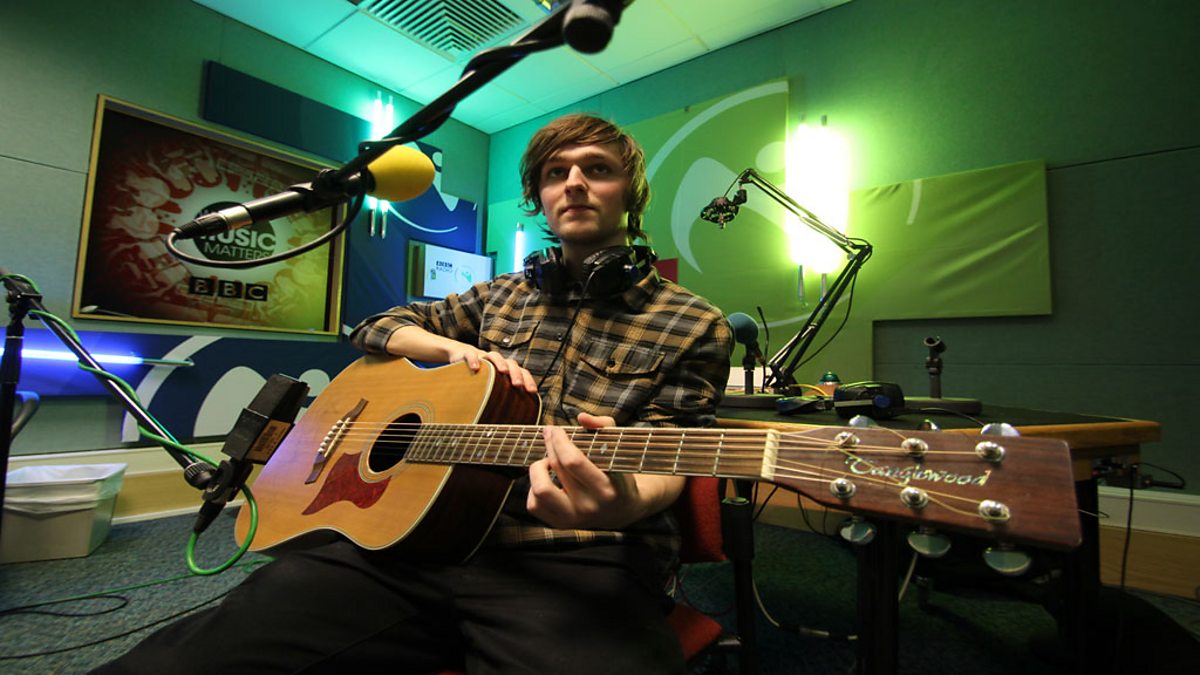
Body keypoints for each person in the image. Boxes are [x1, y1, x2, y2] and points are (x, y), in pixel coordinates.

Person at [95, 113, 732, 674]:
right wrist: (450, 350)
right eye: (554, 172)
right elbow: (375, 327)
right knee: (181, 660)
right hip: (411, 540)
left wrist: (625, 502)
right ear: (538, 197)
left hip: (581, 559)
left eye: (597, 169)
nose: (574, 183)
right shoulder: (499, 295)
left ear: (631, 193)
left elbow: (676, 448)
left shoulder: (692, 320)